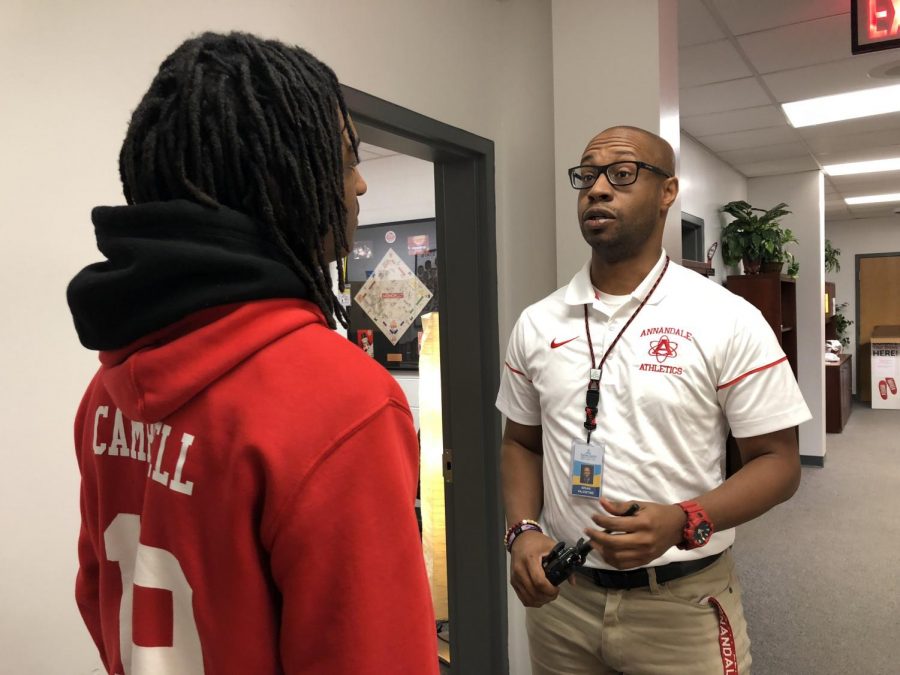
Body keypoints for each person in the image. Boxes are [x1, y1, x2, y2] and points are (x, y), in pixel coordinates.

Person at [67, 32, 438, 675]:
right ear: (273, 172)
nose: (360, 186)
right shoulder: (339, 399)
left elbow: (97, 594)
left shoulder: (109, 386)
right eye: (345, 158)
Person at [497, 125, 811, 674]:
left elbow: (780, 464)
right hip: (563, 602)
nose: (597, 188)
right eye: (587, 175)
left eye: (621, 174)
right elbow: (522, 443)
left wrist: (684, 519)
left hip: (681, 605)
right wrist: (523, 530)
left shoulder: (727, 318)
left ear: (668, 193)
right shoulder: (537, 323)